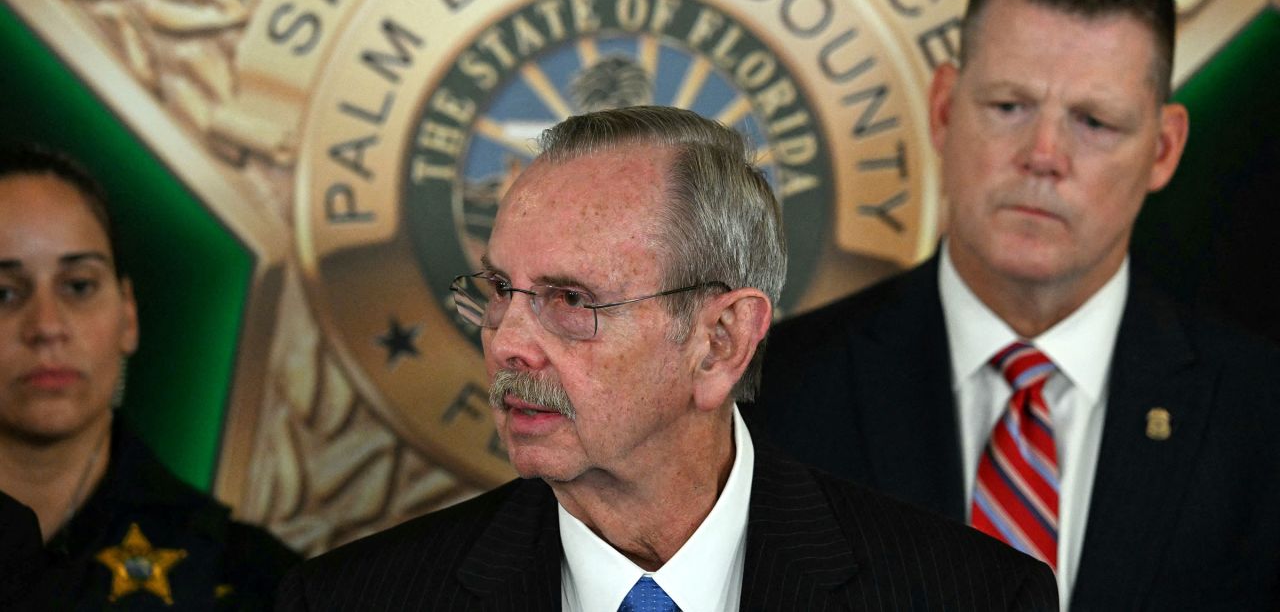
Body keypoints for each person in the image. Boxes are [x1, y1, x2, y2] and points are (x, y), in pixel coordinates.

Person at [277, 105, 1057, 611]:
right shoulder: (350, 601)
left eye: (570, 300)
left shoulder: (971, 598)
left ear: (720, 342)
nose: (508, 340)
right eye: (499, 289)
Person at [751, 0, 1280, 610]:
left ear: (1164, 148)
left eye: (1095, 121)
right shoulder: (772, 402)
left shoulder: (1261, 421)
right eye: (1009, 106)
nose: (1043, 153)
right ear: (944, 109)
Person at [0, 145, 300, 609]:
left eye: (79, 286)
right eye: (4, 293)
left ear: (129, 316)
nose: (46, 327)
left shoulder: (254, 581)